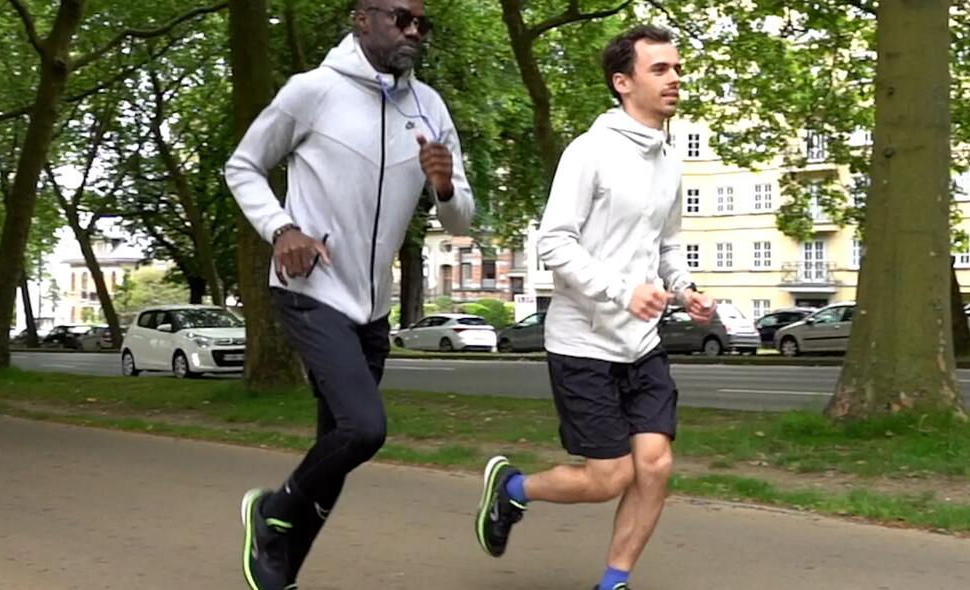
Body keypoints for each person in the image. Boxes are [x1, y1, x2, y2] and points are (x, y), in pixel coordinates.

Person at [224, 1, 475, 588]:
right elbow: (243, 166)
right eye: (401, 18)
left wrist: (442, 185)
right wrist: (283, 228)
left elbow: (460, 221)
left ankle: (279, 568)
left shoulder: (430, 108)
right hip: (310, 286)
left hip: (373, 305)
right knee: (363, 429)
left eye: (422, 23)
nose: (414, 30)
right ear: (362, 19)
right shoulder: (312, 91)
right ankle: (270, 512)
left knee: (333, 449)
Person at [471, 24, 712, 590]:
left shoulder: (669, 161)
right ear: (623, 82)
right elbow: (554, 242)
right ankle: (511, 490)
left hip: (642, 342)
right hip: (584, 342)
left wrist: (684, 287)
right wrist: (621, 290)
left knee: (654, 466)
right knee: (609, 477)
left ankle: (613, 582)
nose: (676, 78)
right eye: (661, 69)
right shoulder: (590, 152)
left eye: (677, 68)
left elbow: (665, 245)